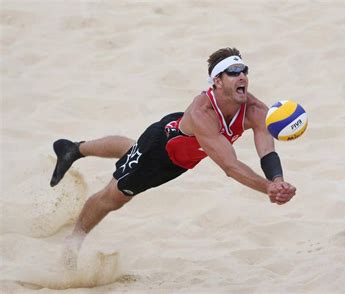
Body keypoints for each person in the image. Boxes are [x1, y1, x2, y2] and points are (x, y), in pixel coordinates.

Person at [51, 47, 296, 267]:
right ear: (217, 81)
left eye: (243, 70)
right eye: (232, 72)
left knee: (130, 149)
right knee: (115, 197)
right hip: (159, 151)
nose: (241, 76)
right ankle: (73, 242)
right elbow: (230, 166)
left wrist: (276, 179)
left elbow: (267, 151)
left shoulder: (256, 110)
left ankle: (73, 149)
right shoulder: (203, 112)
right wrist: (268, 189)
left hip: (182, 154)